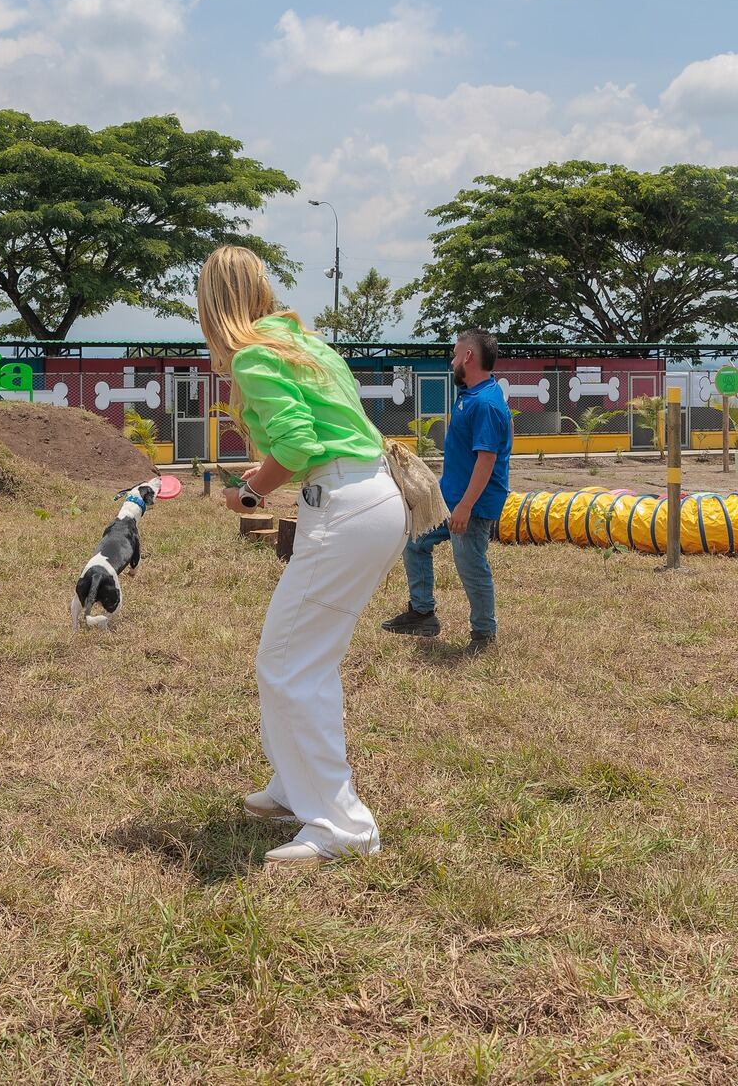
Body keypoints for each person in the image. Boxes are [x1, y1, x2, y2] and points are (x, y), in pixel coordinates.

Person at [199, 245, 405, 867]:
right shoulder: (303, 344)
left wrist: (250, 490)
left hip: (343, 507)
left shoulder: (256, 356)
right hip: (370, 498)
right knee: (298, 661)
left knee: (288, 664)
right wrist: (267, 474)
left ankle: (341, 826)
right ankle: (296, 786)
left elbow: (296, 443)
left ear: (212, 304)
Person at [382, 328, 510, 650]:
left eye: (455, 354)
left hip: (472, 505)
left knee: (470, 566)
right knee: (415, 542)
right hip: (448, 500)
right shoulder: (470, 396)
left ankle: (484, 634)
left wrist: (466, 506)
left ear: (468, 356)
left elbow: (486, 461)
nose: (452, 360)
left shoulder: (486, 405)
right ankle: (422, 614)